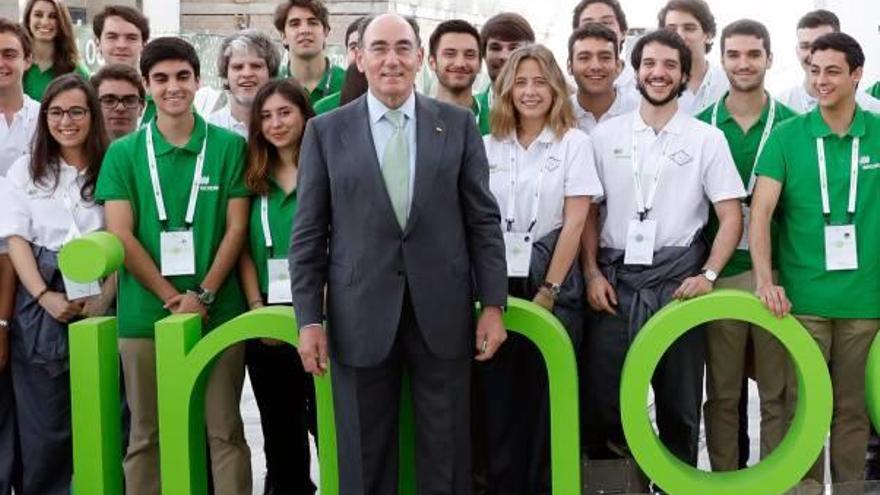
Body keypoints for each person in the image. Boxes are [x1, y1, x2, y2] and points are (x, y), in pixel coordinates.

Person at [290, 13, 508, 495]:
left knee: (447, 452)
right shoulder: (326, 131)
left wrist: (493, 304)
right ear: (359, 57)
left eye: (403, 47)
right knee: (362, 457)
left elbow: (482, 221)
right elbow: (308, 234)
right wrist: (308, 320)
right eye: (380, 48)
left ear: (419, 58)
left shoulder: (456, 125)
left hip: (444, 313)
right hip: (358, 314)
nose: (392, 59)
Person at [95, 37, 252, 495]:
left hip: (217, 312)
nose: (173, 87)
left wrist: (200, 295)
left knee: (224, 430)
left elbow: (236, 229)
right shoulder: (124, 153)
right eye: (160, 79)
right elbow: (121, 233)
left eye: (182, 76)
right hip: (145, 314)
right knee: (147, 434)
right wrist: (171, 297)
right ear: (146, 86)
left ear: (198, 80)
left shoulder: (228, 147)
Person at [582, 29, 743, 465]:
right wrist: (592, 273)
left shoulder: (706, 138)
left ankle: (676, 485)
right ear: (633, 72)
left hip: (678, 288)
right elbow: (589, 214)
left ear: (685, 75)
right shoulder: (604, 137)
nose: (658, 73)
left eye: (670, 65)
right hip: (613, 287)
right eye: (649, 64)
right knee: (605, 402)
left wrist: (707, 275)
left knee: (679, 406)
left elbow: (731, 216)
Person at [751, 31, 880, 489]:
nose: (820, 80)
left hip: (865, 302)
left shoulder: (879, 134)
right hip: (801, 302)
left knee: (851, 410)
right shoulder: (788, 136)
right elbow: (760, 212)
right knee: (804, 411)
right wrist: (765, 281)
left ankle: (848, 488)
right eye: (813, 70)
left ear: (857, 75)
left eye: (832, 71)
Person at [480, 43, 599, 494]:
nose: (530, 92)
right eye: (521, 82)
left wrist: (549, 288)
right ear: (507, 89)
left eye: (540, 82)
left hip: (552, 278)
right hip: (494, 280)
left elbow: (576, 219)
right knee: (497, 397)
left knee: (545, 397)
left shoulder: (574, 143)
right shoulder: (486, 144)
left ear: (556, 88)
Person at [0, 73, 111, 495]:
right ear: (45, 117)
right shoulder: (24, 171)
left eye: (77, 111)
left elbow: (123, 232)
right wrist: (44, 296)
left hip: (104, 293)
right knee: (46, 426)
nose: (67, 121)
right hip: (42, 294)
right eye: (57, 112)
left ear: (92, 115)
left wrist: (104, 298)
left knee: (106, 416)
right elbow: (16, 241)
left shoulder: (113, 162)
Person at [695, 19, 797, 472]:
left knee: (778, 391)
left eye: (753, 54)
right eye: (734, 55)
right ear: (722, 60)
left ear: (770, 59)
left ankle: (775, 478)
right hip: (720, 274)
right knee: (722, 391)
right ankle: (725, 479)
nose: (743, 63)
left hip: (776, 275)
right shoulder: (699, 128)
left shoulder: (793, 127)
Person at [238, 78, 316, 495]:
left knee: (327, 421)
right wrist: (256, 307)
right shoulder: (252, 176)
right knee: (279, 428)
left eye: (285, 112)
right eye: (265, 116)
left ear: (305, 114)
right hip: (267, 321)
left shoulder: (326, 169)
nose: (276, 123)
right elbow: (243, 249)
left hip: (322, 317)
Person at [777, 10, 880, 114]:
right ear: (797, 50)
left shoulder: (872, 109)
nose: (813, 54)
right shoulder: (780, 106)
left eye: (823, 46)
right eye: (805, 46)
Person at [657, 0, 728, 115]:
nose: (680, 36)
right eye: (671, 30)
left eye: (689, 28)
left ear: (708, 35)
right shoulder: (653, 85)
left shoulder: (728, 84)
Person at [568, 23, 638, 134]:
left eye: (605, 57)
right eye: (584, 58)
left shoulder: (638, 112)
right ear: (569, 67)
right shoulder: (560, 115)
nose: (595, 66)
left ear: (618, 66)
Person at [208, 29, 279, 139]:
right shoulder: (209, 130)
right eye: (238, 67)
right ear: (225, 76)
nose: (247, 74)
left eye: (256, 66)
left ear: (270, 74)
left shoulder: (281, 128)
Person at [92, 5, 155, 124]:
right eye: (112, 37)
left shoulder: (162, 101)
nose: (121, 45)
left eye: (131, 38)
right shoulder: (82, 96)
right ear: (98, 43)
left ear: (144, 45)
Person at [274, 0, 345, 105]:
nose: (304, 30)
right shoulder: (272, 86)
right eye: (295, 24)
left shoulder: (348, 84)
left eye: (312, 23)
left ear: (325, 31)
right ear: (283, 36)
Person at [428, 19, 490, 134]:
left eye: (470, 55)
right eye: (450, 54)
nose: (460, 63)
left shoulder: (497, 122)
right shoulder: (417, 120)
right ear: (432, 62)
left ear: (480, 64)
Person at [21, 0, 89, 101]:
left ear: (61, 22)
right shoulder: (15, 66)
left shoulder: (77, 71)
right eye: (38, 15)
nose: (45, 22)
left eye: (53, 16)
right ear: (28, 20)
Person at [571, 0, 637, 100]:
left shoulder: (643, 85)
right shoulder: (565, 92)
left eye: (606, 22)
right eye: (588, 24)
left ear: (623, 32)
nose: (597, 28)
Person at [478, 13, 535, 109]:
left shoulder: (555, 112)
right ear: (483, 54)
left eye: (514, 48)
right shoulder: (468, 111)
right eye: (495, 48)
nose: (504, 56)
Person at [90, 64, 146, 140]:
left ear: (141, 107)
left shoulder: (152, 150)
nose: (120, 108)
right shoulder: (76, 150)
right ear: (94, 107)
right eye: (109, 101)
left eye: (129, 101)